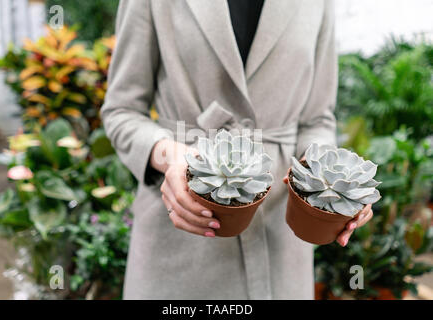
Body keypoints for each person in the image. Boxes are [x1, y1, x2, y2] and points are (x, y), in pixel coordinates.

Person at [101, 0, 373, 299]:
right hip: (183, 229)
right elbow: (121, 110)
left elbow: (317, 119)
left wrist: (332, 185)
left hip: (279, 239)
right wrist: (171, 156)